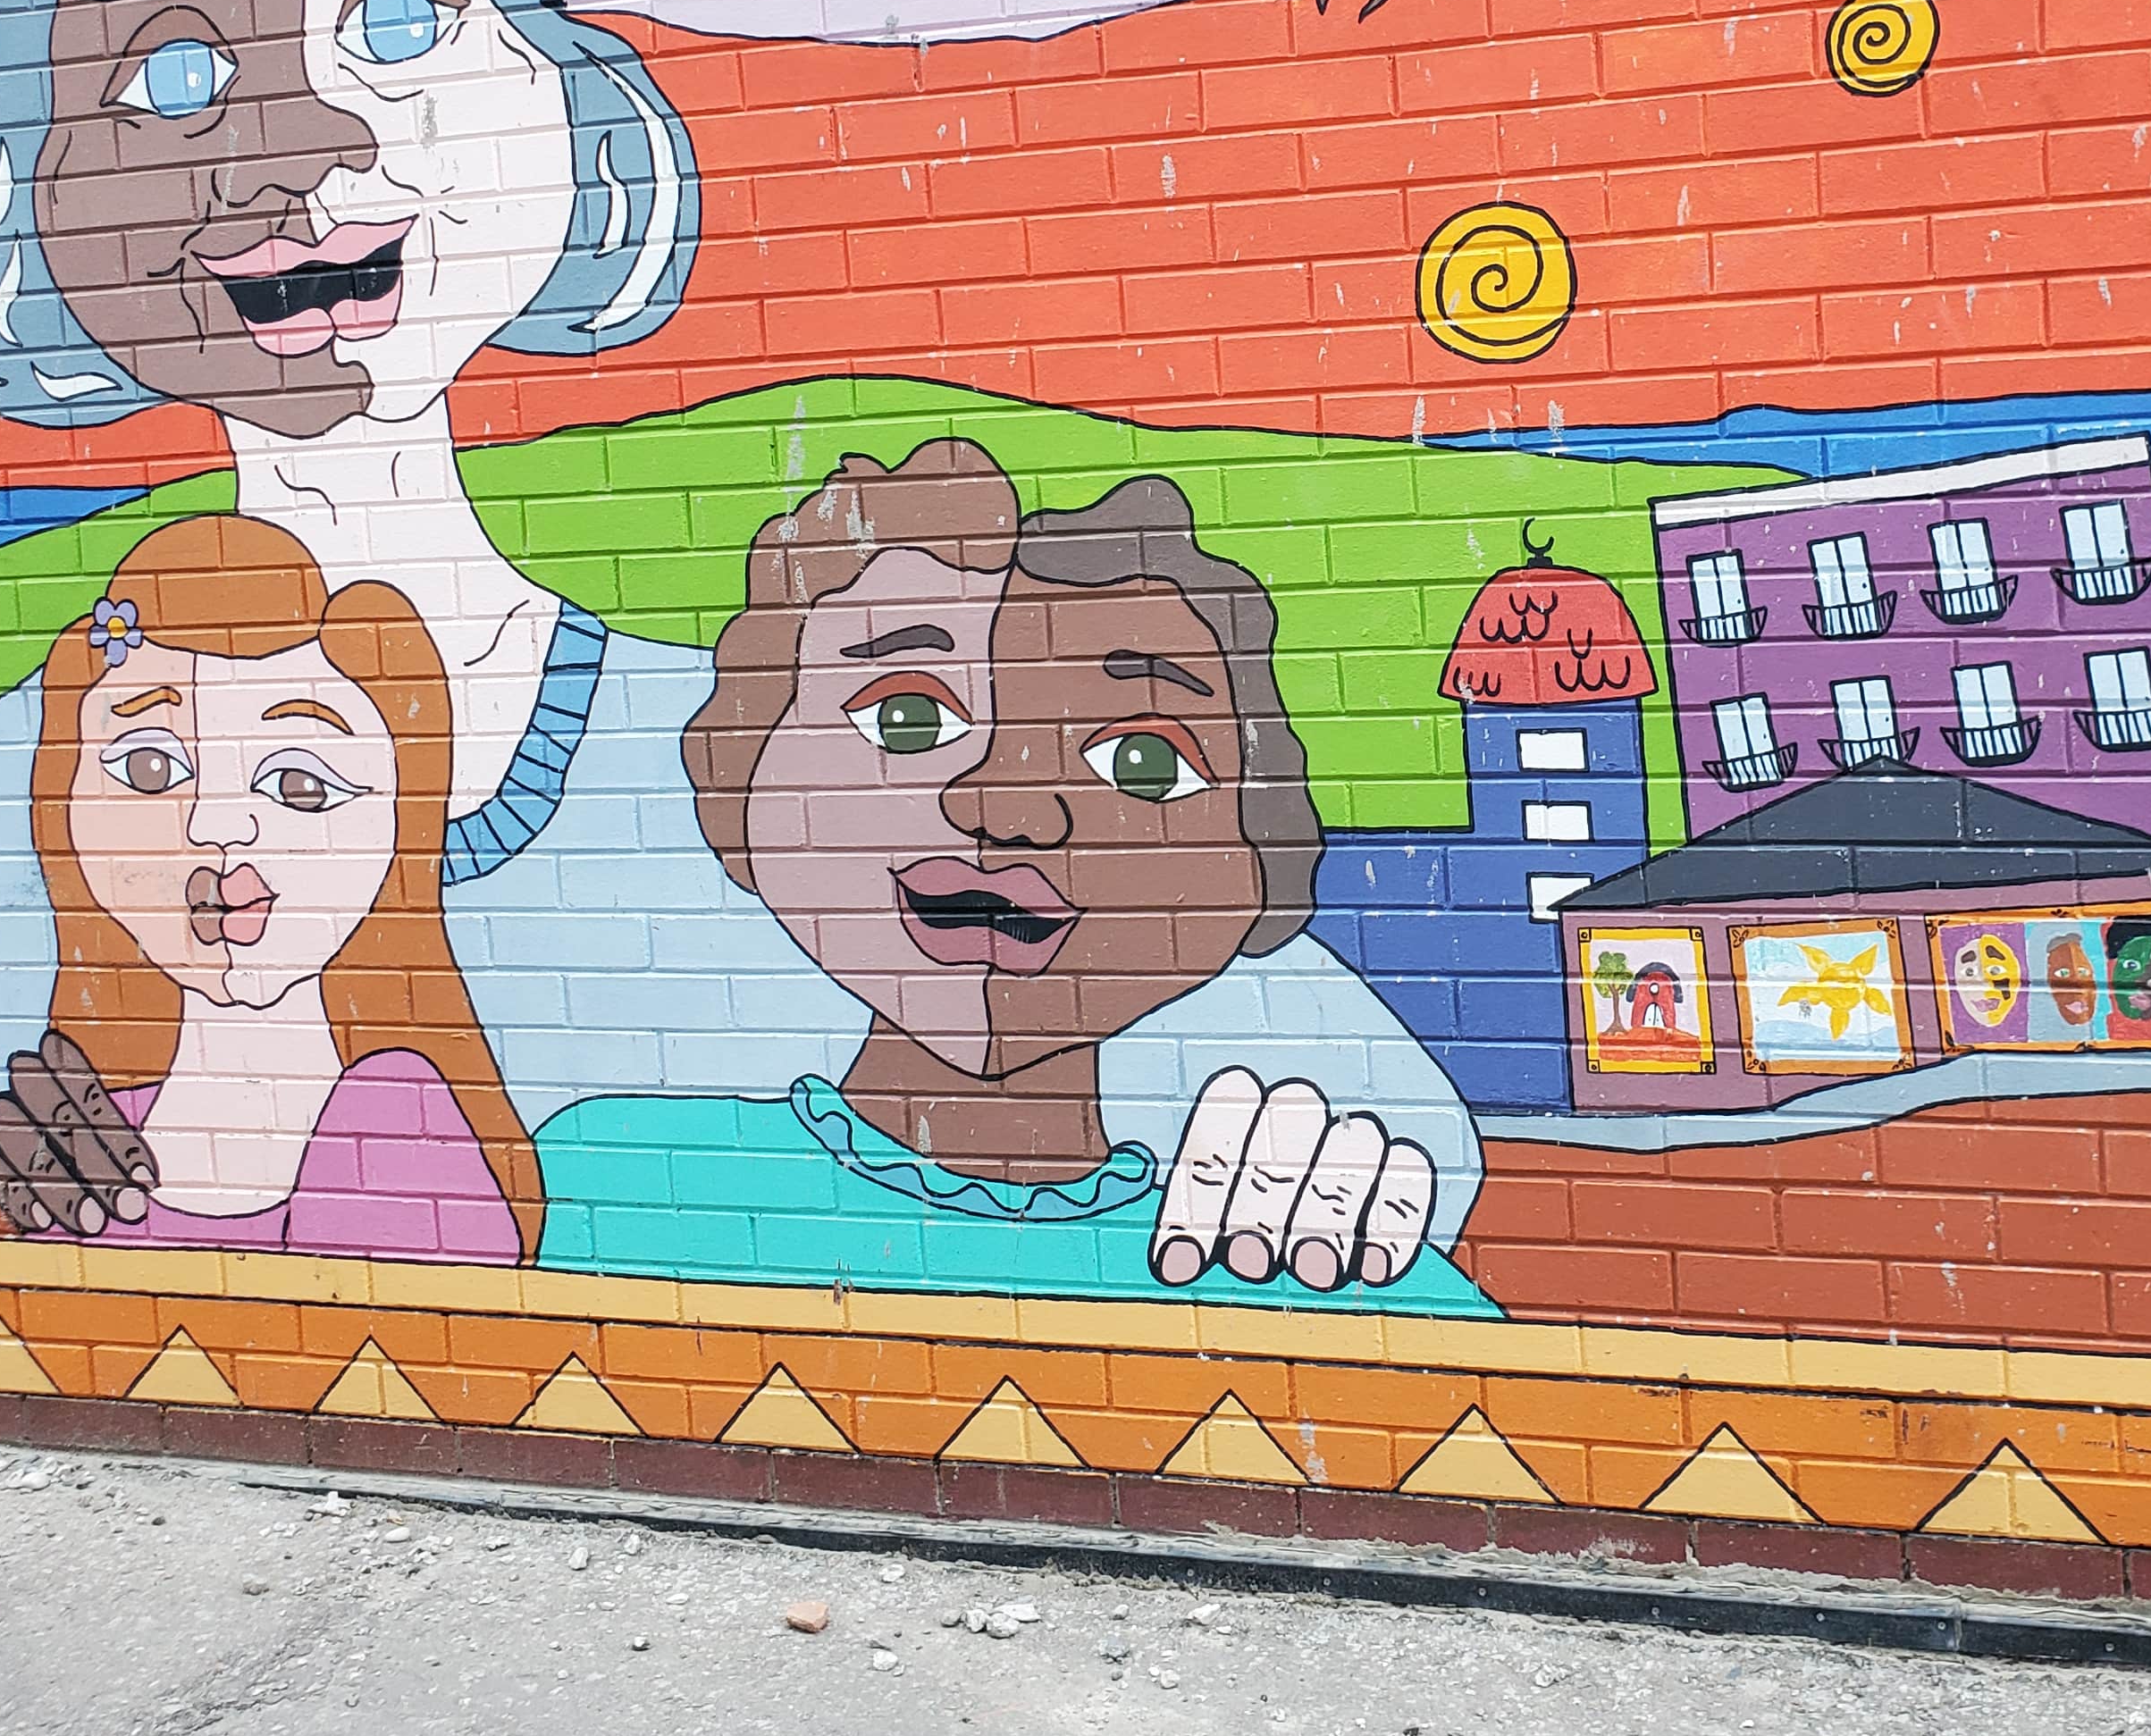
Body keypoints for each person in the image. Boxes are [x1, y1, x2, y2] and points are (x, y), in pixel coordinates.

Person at [0, 0, 1480, 1245]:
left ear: (557, 93)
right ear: (36, 193)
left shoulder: (772, 756)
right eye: (175, 66)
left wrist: (1339, 1142)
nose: (305, 135)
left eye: (402, 17)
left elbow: (1298, 1044)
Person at [532, 444, 1492, 1312]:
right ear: (740, 777)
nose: (1008, 807)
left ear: (1256, 860)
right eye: (906, 720)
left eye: (1143, 764)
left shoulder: (1280, 1258)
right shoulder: (597, 1186)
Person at [0, 516, 534, 1262]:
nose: (214, 826)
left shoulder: (391, 1124)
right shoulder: (90, 1133)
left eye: (301, 783)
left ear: (399, 821)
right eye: (148, 770)